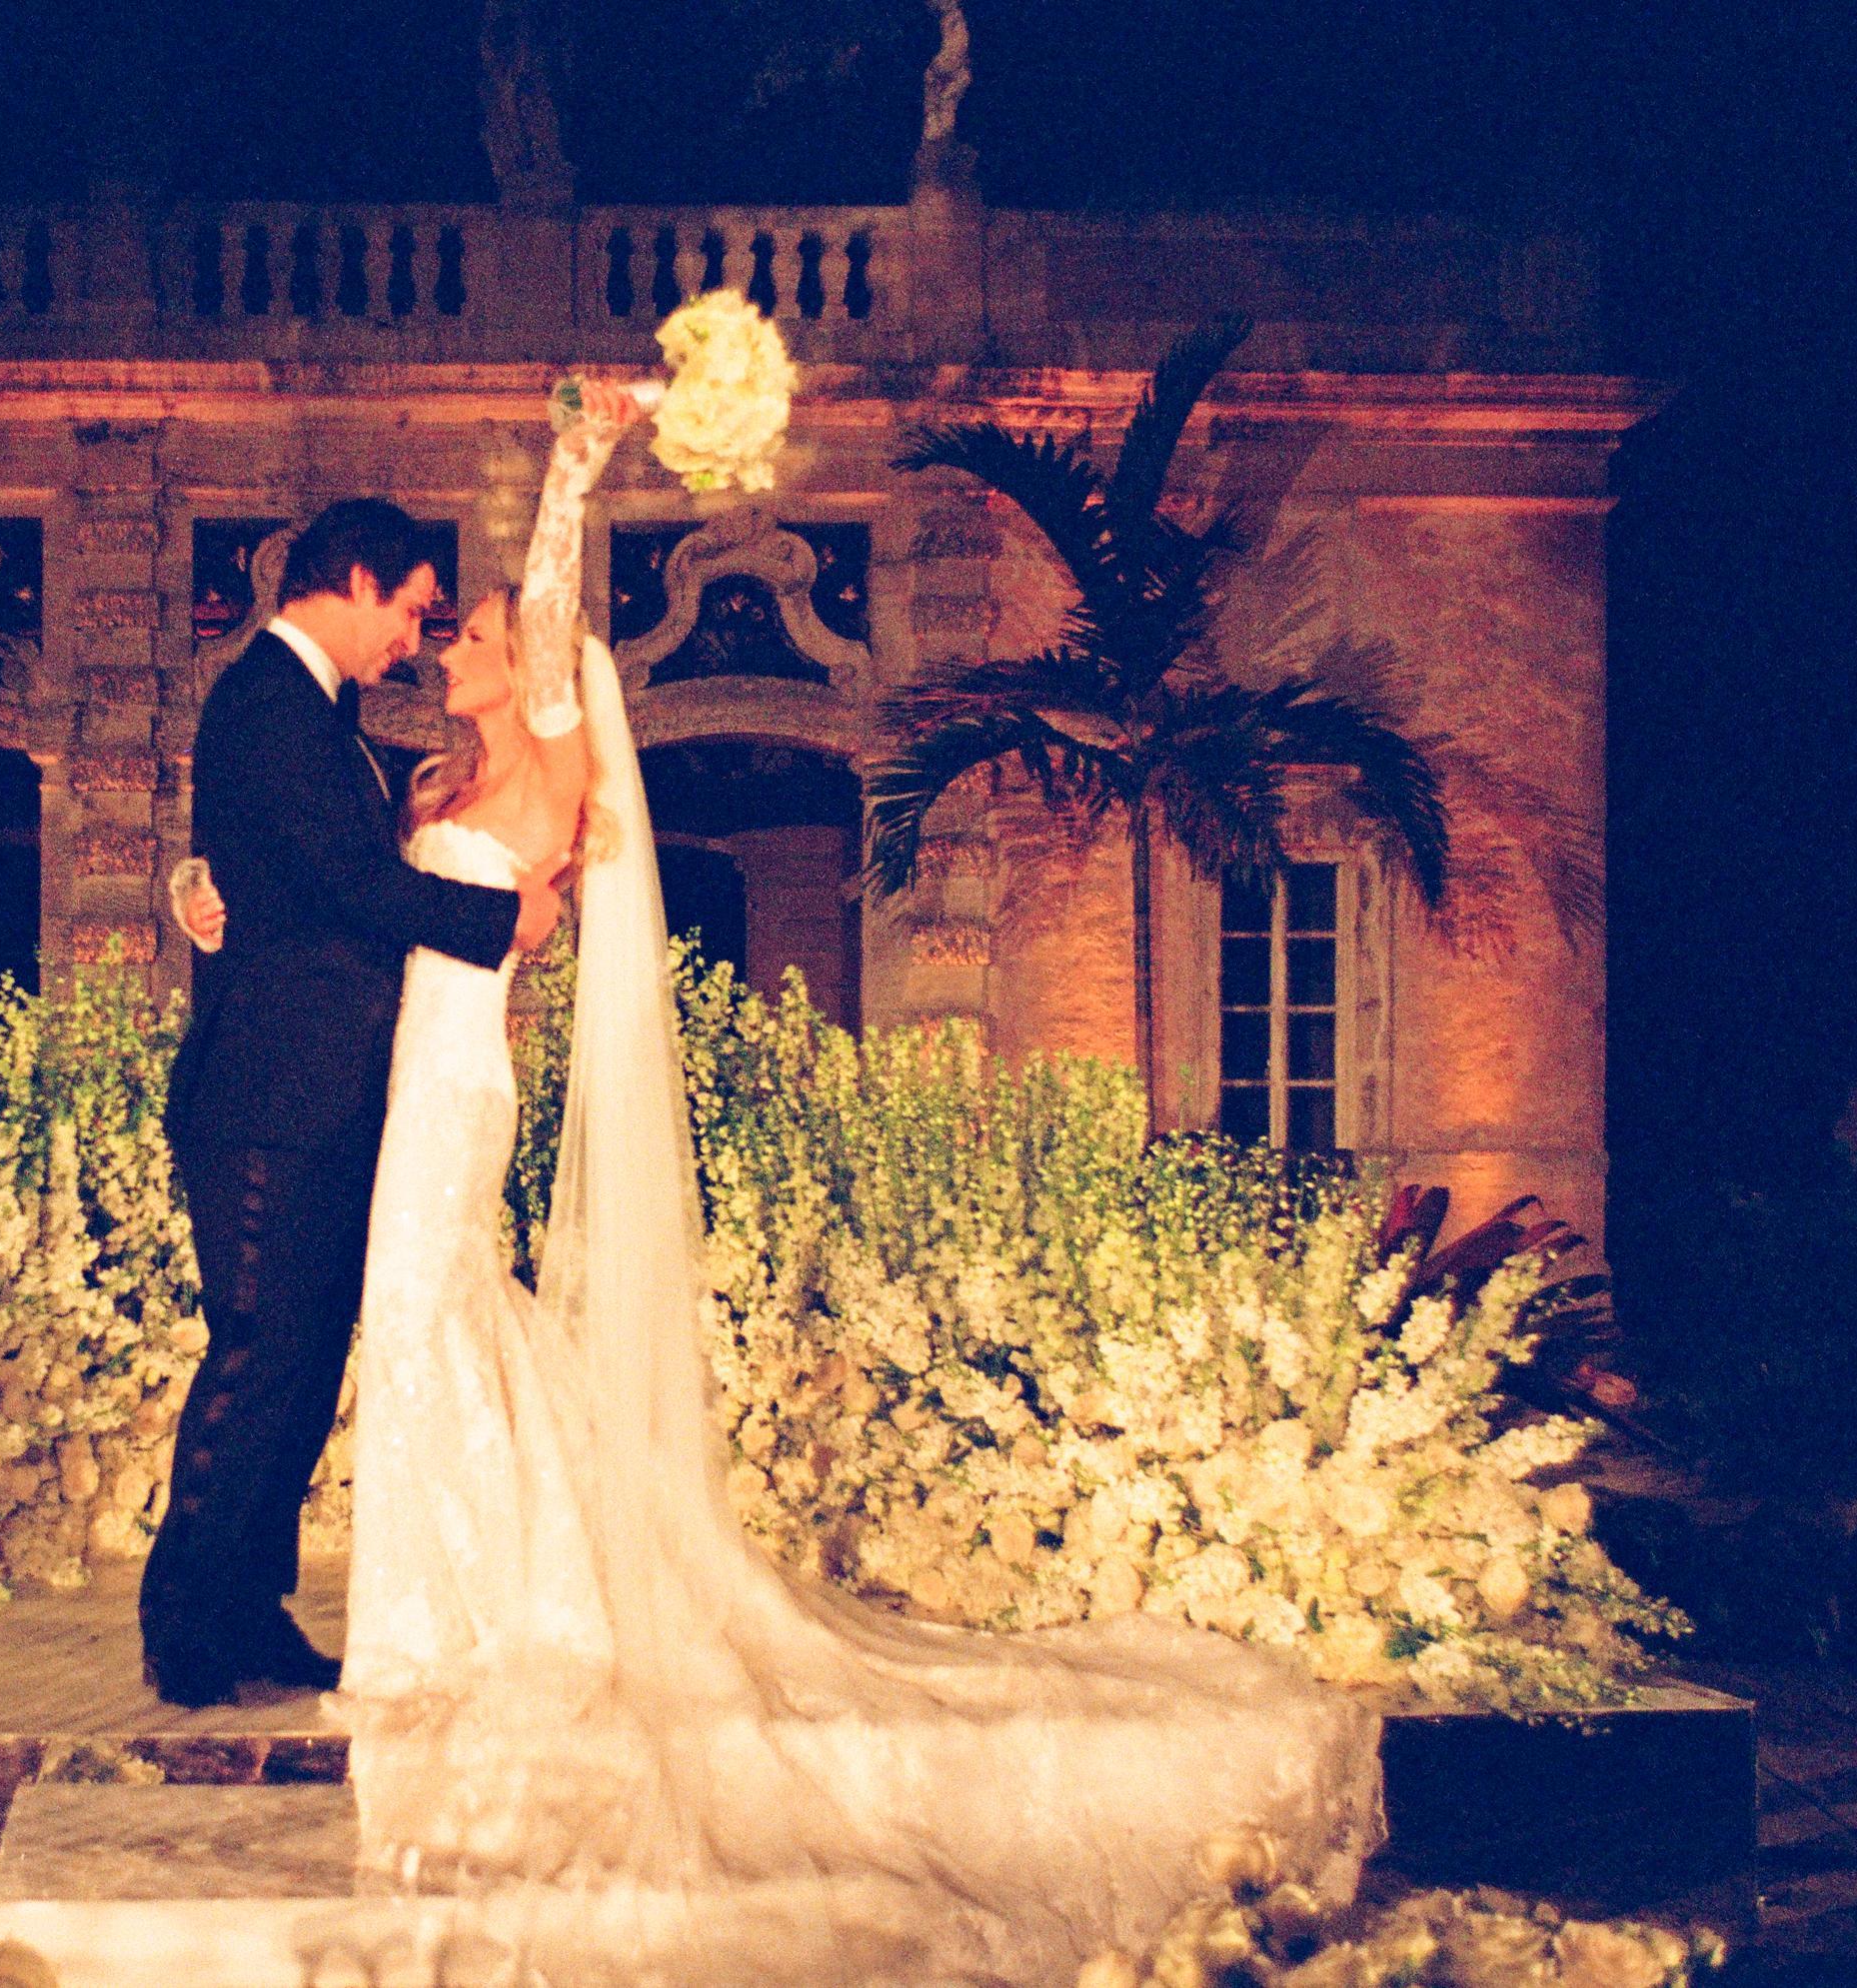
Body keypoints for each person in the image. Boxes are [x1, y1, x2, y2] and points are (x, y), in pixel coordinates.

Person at [183, 401, 1383, 1986]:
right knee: (425, 1333)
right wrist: (211, 901)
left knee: (417, 1325)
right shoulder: (420, 774)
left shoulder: (542, 756)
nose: (438, 639)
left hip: (446, 1096)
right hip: (387, 1087)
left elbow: (543, 616)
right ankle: (454, 1598)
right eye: (427, 614)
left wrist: (577, 457)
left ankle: (443, 1622)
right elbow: (321, 888)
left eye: (460, 625)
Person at [141, 499, 563, 1711]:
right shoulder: (266, 701)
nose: (417, 640)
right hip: (265, 1093)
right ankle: (183, 1621)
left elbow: (275, 857)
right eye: (415, 611)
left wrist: (200, 876)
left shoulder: (322, 714)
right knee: (258, 1351)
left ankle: (247, 1607)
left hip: (329, 1095)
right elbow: (350, 886)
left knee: (304, 1361)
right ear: (362, 582)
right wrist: (505, 921)